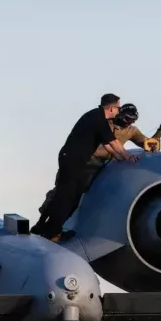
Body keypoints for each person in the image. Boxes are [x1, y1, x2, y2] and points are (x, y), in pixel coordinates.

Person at [30, 94, 136, 242]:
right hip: (72, 159)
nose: (119, 111)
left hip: (74, 159)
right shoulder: (98, 119)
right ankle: (51, 232)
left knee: (69, 195)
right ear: (111, 108)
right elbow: (113, 142)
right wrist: (127, 156)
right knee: (67, 197)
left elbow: (107, 143)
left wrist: (117, 157)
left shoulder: (98, 117)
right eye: (118, 107)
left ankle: (42, 227)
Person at [37, 103, 161, 217]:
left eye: (132, 120)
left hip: (102, 164)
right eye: (126, 118)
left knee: (80, 191)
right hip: (85, 158)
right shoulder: (105, 124)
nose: (128, 122)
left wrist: (160, 131)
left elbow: (149, 145)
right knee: (65, 188)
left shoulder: (131, 131)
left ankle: (65, 220)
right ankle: (47, 210)